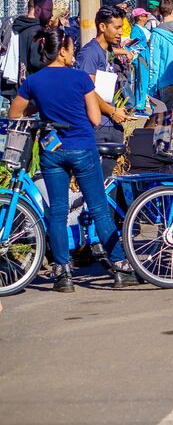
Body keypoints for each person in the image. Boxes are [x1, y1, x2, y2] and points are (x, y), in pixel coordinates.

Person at [8, 28, 135, 292]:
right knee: (99, 207)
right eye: (71, 49)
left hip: (51, 151)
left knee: (57, 211)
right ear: (62, 51)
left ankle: (63, 273)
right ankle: (119, 266)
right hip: (82, 147)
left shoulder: (34, 81)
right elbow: (96, 119)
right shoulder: (80, 79)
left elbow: (14, 114)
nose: (74, 54)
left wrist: (40, 108)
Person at [74, 7, 132, 177]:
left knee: (106, 178)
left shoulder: (108, 51)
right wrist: (112, 112)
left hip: (111, 124)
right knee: (95, 179)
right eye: (117, 28)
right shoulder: (89, 53)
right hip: (97, 124)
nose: (120, 32)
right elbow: (87, 91)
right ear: (102, 27)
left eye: (122, 27)